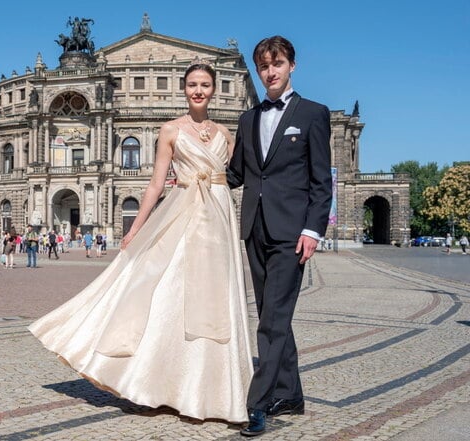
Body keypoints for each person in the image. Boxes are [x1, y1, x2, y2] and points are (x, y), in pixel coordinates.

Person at [29, 62, 252, 425]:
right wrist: (135, 229)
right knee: (171, 294)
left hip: (219, 219)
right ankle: (161, 387)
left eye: (205, 85)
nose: (199, 90)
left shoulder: (228, 133)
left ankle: (212, 392)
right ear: (184, 89)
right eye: (192, 84)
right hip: (183, 214)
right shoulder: (169, 130)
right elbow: (154, 184)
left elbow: (241, 176)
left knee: (214, 300)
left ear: (215, 89)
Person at [227, 36, 332, 437]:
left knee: (271, 319)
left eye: (278, 63)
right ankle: (291, 394)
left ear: (292, 66)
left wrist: (312, 230)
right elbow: (237, 173)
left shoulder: (313, 114)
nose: (270, 72)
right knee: (276, 316)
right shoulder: (248, 118)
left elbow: (321, 181)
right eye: (263, 66)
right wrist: (193, 175)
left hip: (292, 233)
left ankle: (258, 403)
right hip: (255, 228)